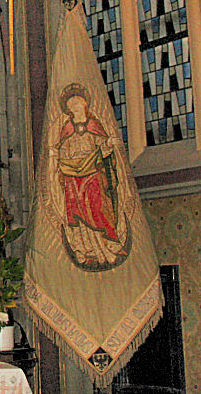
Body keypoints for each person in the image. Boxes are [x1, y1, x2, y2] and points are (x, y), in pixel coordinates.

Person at [54, 83, 128, 269]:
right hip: (72, 174)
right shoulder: (67, 128)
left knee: (97, 206)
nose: (77, 107)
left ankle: (106, 246)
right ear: (69, 109)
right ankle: (84, 248)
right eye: (73, 105)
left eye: (79, 103)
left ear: (85, 105)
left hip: (92, 172)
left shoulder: (94, 125)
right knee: (76, 209)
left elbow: (102, 149)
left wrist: (109, 144)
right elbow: (62, 150)